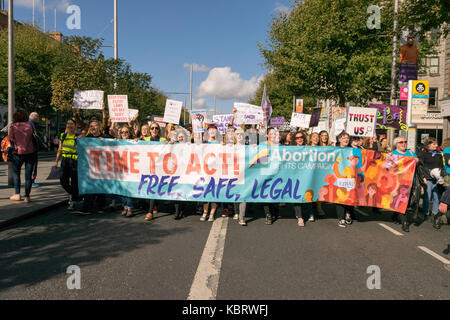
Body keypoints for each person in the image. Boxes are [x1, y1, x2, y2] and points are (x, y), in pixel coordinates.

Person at [76, 119, 113, 215]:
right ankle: (87, 208)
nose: (93, 128)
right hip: (90, 167)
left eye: (95, 126)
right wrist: (80, 140)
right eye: (91, 126)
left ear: (99, 127)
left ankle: (100, 206)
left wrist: (105, 141)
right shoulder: (87, 138)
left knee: (101, 186)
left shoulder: (105, 137)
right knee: (89, 187)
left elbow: (115, 144)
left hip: (103, 167)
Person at [391, 136, 422, 232]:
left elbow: (417, 162)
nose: (404, 143)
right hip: (398, 182)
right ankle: (405, 222)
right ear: (396, 144)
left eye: (405, 141)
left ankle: (395, 215)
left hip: (411, 181)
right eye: (401, 142)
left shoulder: (411, 153)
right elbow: (387, 168)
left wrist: (416, 161)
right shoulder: (392, 154)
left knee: (410, 202)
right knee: (402, 201)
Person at [8, 110, 38, 203]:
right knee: (28, 176)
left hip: (18, 153)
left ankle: (17, 194)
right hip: (30, 152)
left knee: (16, 173)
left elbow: (11, 139)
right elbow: (35, 136)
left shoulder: (13, 127)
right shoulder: (30, 125)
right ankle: (27, 197)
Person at [54, 119, 81, 210]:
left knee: (74, 182)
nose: (69, 125)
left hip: (74, 161)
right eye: (68, 123)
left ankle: (72, 202)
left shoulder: (78, 137)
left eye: (71, 124)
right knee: (63, 181)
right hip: (65, 161)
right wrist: (56, 160)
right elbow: (60, 149)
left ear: (75, 125)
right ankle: (74, 194)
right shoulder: (63, 135)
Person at [418, 137, 444, 229]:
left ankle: (435, 214)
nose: (436, 145)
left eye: (436, 144)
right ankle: (426, 213)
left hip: (437, 178)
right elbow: (420, 166)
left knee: (437, 197)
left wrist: (441, 175)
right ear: (428, 145)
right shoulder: (423, 153)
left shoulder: (439, 154)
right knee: (427, 197)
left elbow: (441, 165)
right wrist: (423, 177)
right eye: (434, 144)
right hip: (427, 178)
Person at [144, 122, 166, 221]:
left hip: (159, 169)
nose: (154, 130)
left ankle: (150, 212)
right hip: (148, 168)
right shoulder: (145, 140)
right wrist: (136, 141)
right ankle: (155, 205)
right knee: (149, 188)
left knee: (153, 187)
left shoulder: (163, 140)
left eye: (156, 128)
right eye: (152, 128)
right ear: (149, 130)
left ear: (159, 130)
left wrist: (171, 143)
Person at [200, 123, 219, 222]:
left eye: (214, 129)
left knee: (214, 192)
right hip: (205, 171)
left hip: (216, 172)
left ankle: (212, 213)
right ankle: (205, 212)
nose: (212, 131)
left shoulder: (219, 143)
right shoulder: (204, 143)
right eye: (210, 129)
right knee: (206, 192)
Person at [28, 112, 40, 187]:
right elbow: (36, 136)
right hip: (33, 148)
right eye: (38, 117)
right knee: (33, 165)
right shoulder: (32, 124)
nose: (39, 118)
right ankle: (32, 181)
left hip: (26, 149)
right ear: (33, 117)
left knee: (29, 166)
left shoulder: (26, 124)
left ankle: (29, 181)